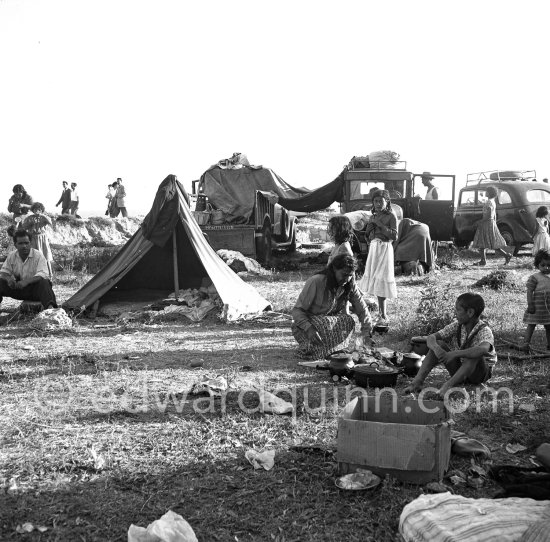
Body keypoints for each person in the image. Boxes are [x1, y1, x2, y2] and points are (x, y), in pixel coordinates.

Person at [404, 293, 496, 397]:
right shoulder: (458, 325)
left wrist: (454, 354)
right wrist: (436, 348)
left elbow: (482, 350)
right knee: (439, 343)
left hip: (479, 374)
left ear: (470, 312)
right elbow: (431, 338)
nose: (455, 313)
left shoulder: (484, 330)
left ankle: (447, 386)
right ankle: (417, 382)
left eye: (458, 310)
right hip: (462, 369)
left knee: (474, 354)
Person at [291, 254, 372, 359]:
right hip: (306, 326)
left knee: (348, 320)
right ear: (334, 269)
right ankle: (316, 350)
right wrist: (309, 329)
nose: (347, 279)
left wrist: (366, 333)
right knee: (325, 323)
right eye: (344, 274)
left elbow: (362, 310)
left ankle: (331, 350)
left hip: (327, 324)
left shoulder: (350, 284)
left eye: (350, 275)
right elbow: (297, 311)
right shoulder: (316, 281)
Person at [358, 189, 397, 325]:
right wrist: (369, 230)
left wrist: (380, 225)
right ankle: (380, 313)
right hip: (374, 248)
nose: (378, 204)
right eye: (376, 201)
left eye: (381, 201)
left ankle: (384, 314)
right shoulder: (372, 217)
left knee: (382, 278)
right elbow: (367, 236)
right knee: (375, 279)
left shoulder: (391, 216)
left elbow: (394, 236)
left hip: (384, 248)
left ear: (387, 202)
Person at [0, 229, 57, 310]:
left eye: (26, 243)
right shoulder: (12, 256)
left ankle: (51, 311)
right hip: (18, 289)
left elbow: (42, 274)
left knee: (44, 283)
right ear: (15, 245)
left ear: (31, 243)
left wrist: (26, 282)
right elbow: (4, 273)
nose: (24, 246)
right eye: (20, 243)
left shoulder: (38, 255)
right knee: (0, 282)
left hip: (34, 291)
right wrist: (9, 280)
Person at [471, 186, 511, 266]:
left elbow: (488, 215)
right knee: (488, 243)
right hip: (490, 223)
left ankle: (505, 256)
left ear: (489, 193)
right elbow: (494, 215)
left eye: (486, 191)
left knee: (484, 242)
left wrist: (479, 222)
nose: (485, 192)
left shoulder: (489, 202)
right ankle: (485, 260)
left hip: (486, 223)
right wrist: (494, 224)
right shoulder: (493, 202)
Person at [521, 249, 550, 351]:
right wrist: (530, 304)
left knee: (548, 326)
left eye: (548, 265)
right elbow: (529, 291)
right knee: (532, 324)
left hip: (547, 309)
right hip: (536, 307)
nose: (546, 267)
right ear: (537, 265)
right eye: (543, 265)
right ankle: (526, 343)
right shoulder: (535, 277)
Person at [21, 202, 54, 277]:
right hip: (33, 238)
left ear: (42, 210)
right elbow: (24, 227)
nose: (37, 211)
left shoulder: (44, 217)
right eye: (35, 209)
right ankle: (34, 275)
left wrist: (43, 216)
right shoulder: (29, 218)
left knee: (46, 256)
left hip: (42, 238)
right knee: (34, 257)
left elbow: (51, 223)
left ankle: (50, 274)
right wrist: (31, 224)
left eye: (39, 209)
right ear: (33, 210)